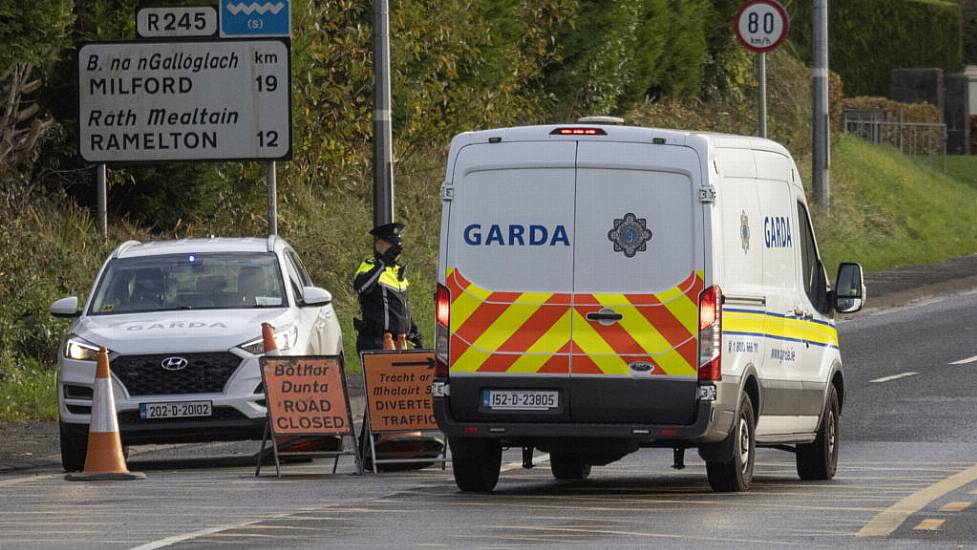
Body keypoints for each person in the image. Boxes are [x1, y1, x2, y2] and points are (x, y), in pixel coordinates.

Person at [353, 222, 422, 355]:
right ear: (379, 245)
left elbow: (402, 307)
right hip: (376, 343)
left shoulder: (397, 271)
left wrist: (414, 335)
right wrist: (383, 262)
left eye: (398, 245)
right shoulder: (369, 266)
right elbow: (362, 287)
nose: (396, 249)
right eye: (392, 244)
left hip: (399, 344)